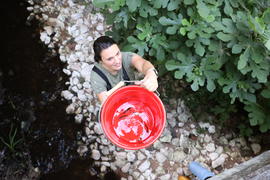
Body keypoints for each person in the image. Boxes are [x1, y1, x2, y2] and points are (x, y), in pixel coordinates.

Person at [90, 36, 158, 103]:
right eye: (110, 59)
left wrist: (151, 72)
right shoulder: (96, 76)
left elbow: (142, 63)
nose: (117, 61)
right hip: (115, 103)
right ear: (100, 61)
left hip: (133, 96)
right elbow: (105, 102)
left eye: (117, 54)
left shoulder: (125, 57)